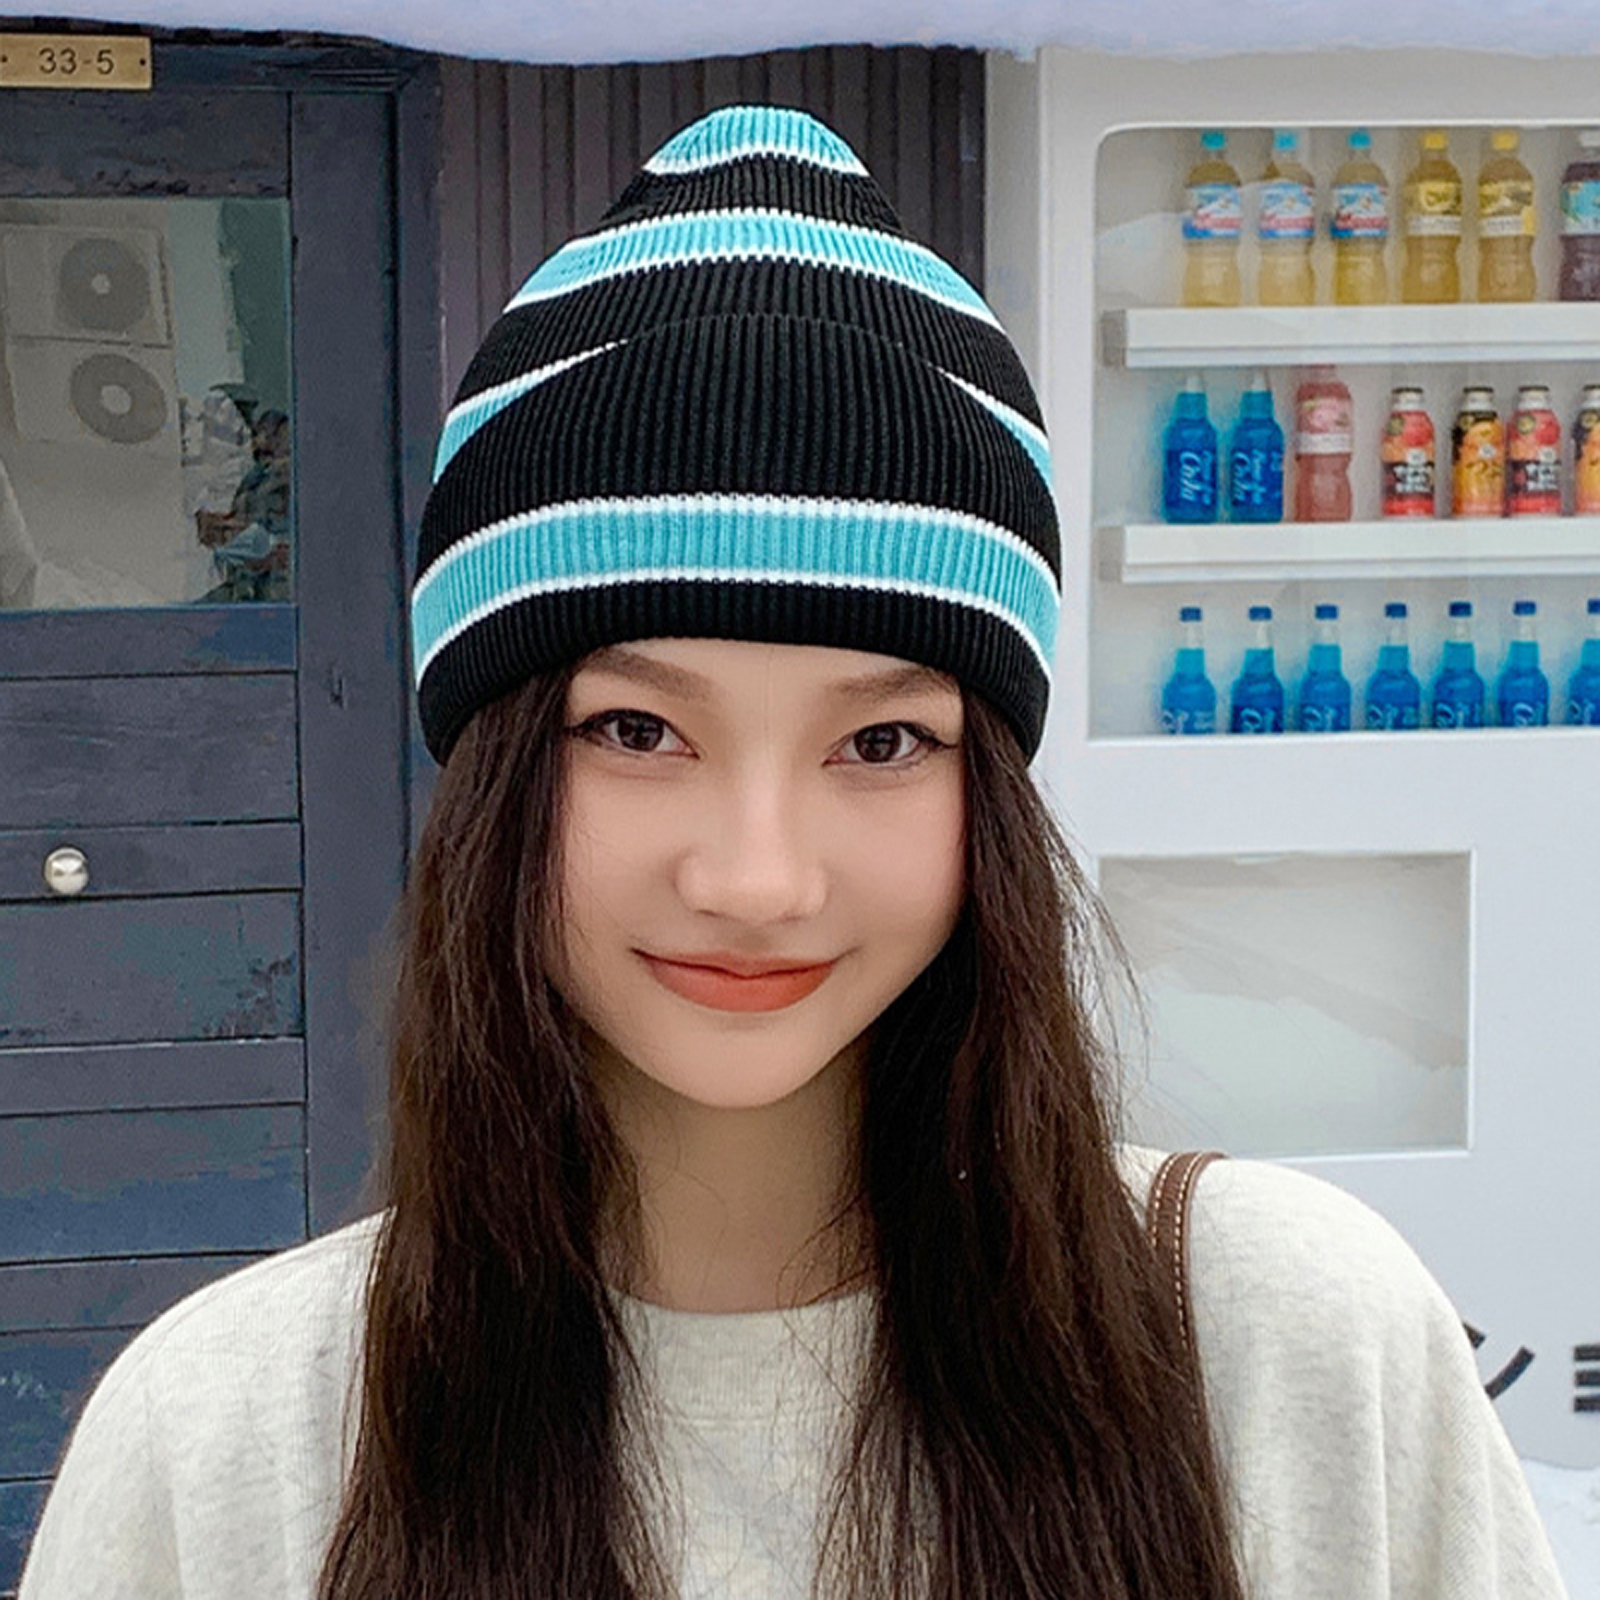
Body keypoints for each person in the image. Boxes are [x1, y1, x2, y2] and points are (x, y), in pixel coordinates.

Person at [17, 104, 1568, 1600]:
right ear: (495, 779)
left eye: (880, 744)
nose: (758, 878)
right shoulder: (225, 1439)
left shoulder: (1282, 1345)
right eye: (638, 730)